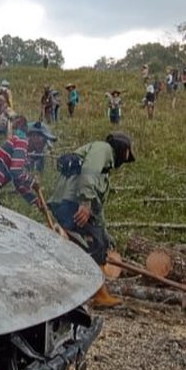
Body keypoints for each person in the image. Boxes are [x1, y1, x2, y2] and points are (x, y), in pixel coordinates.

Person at [50, 132, 136, 308]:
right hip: (71, 201)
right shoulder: (103, 149)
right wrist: (85, 202)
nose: (126, 158)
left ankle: (73, 289)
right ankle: (100, 294)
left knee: (90, 242)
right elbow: (88, 173)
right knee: (95, 245)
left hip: (70, 201)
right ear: (121, 148)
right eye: (127, 153)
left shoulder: (105, 167)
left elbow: (98, 209)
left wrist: (104, 232)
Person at [0, 118, 53, 208]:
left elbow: (18, 181)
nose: (44, 144)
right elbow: (16, 172)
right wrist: (32, 182)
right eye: (43, 140)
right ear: (33, 135)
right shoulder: (22, 142)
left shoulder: (24, 152)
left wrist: (34, 200)